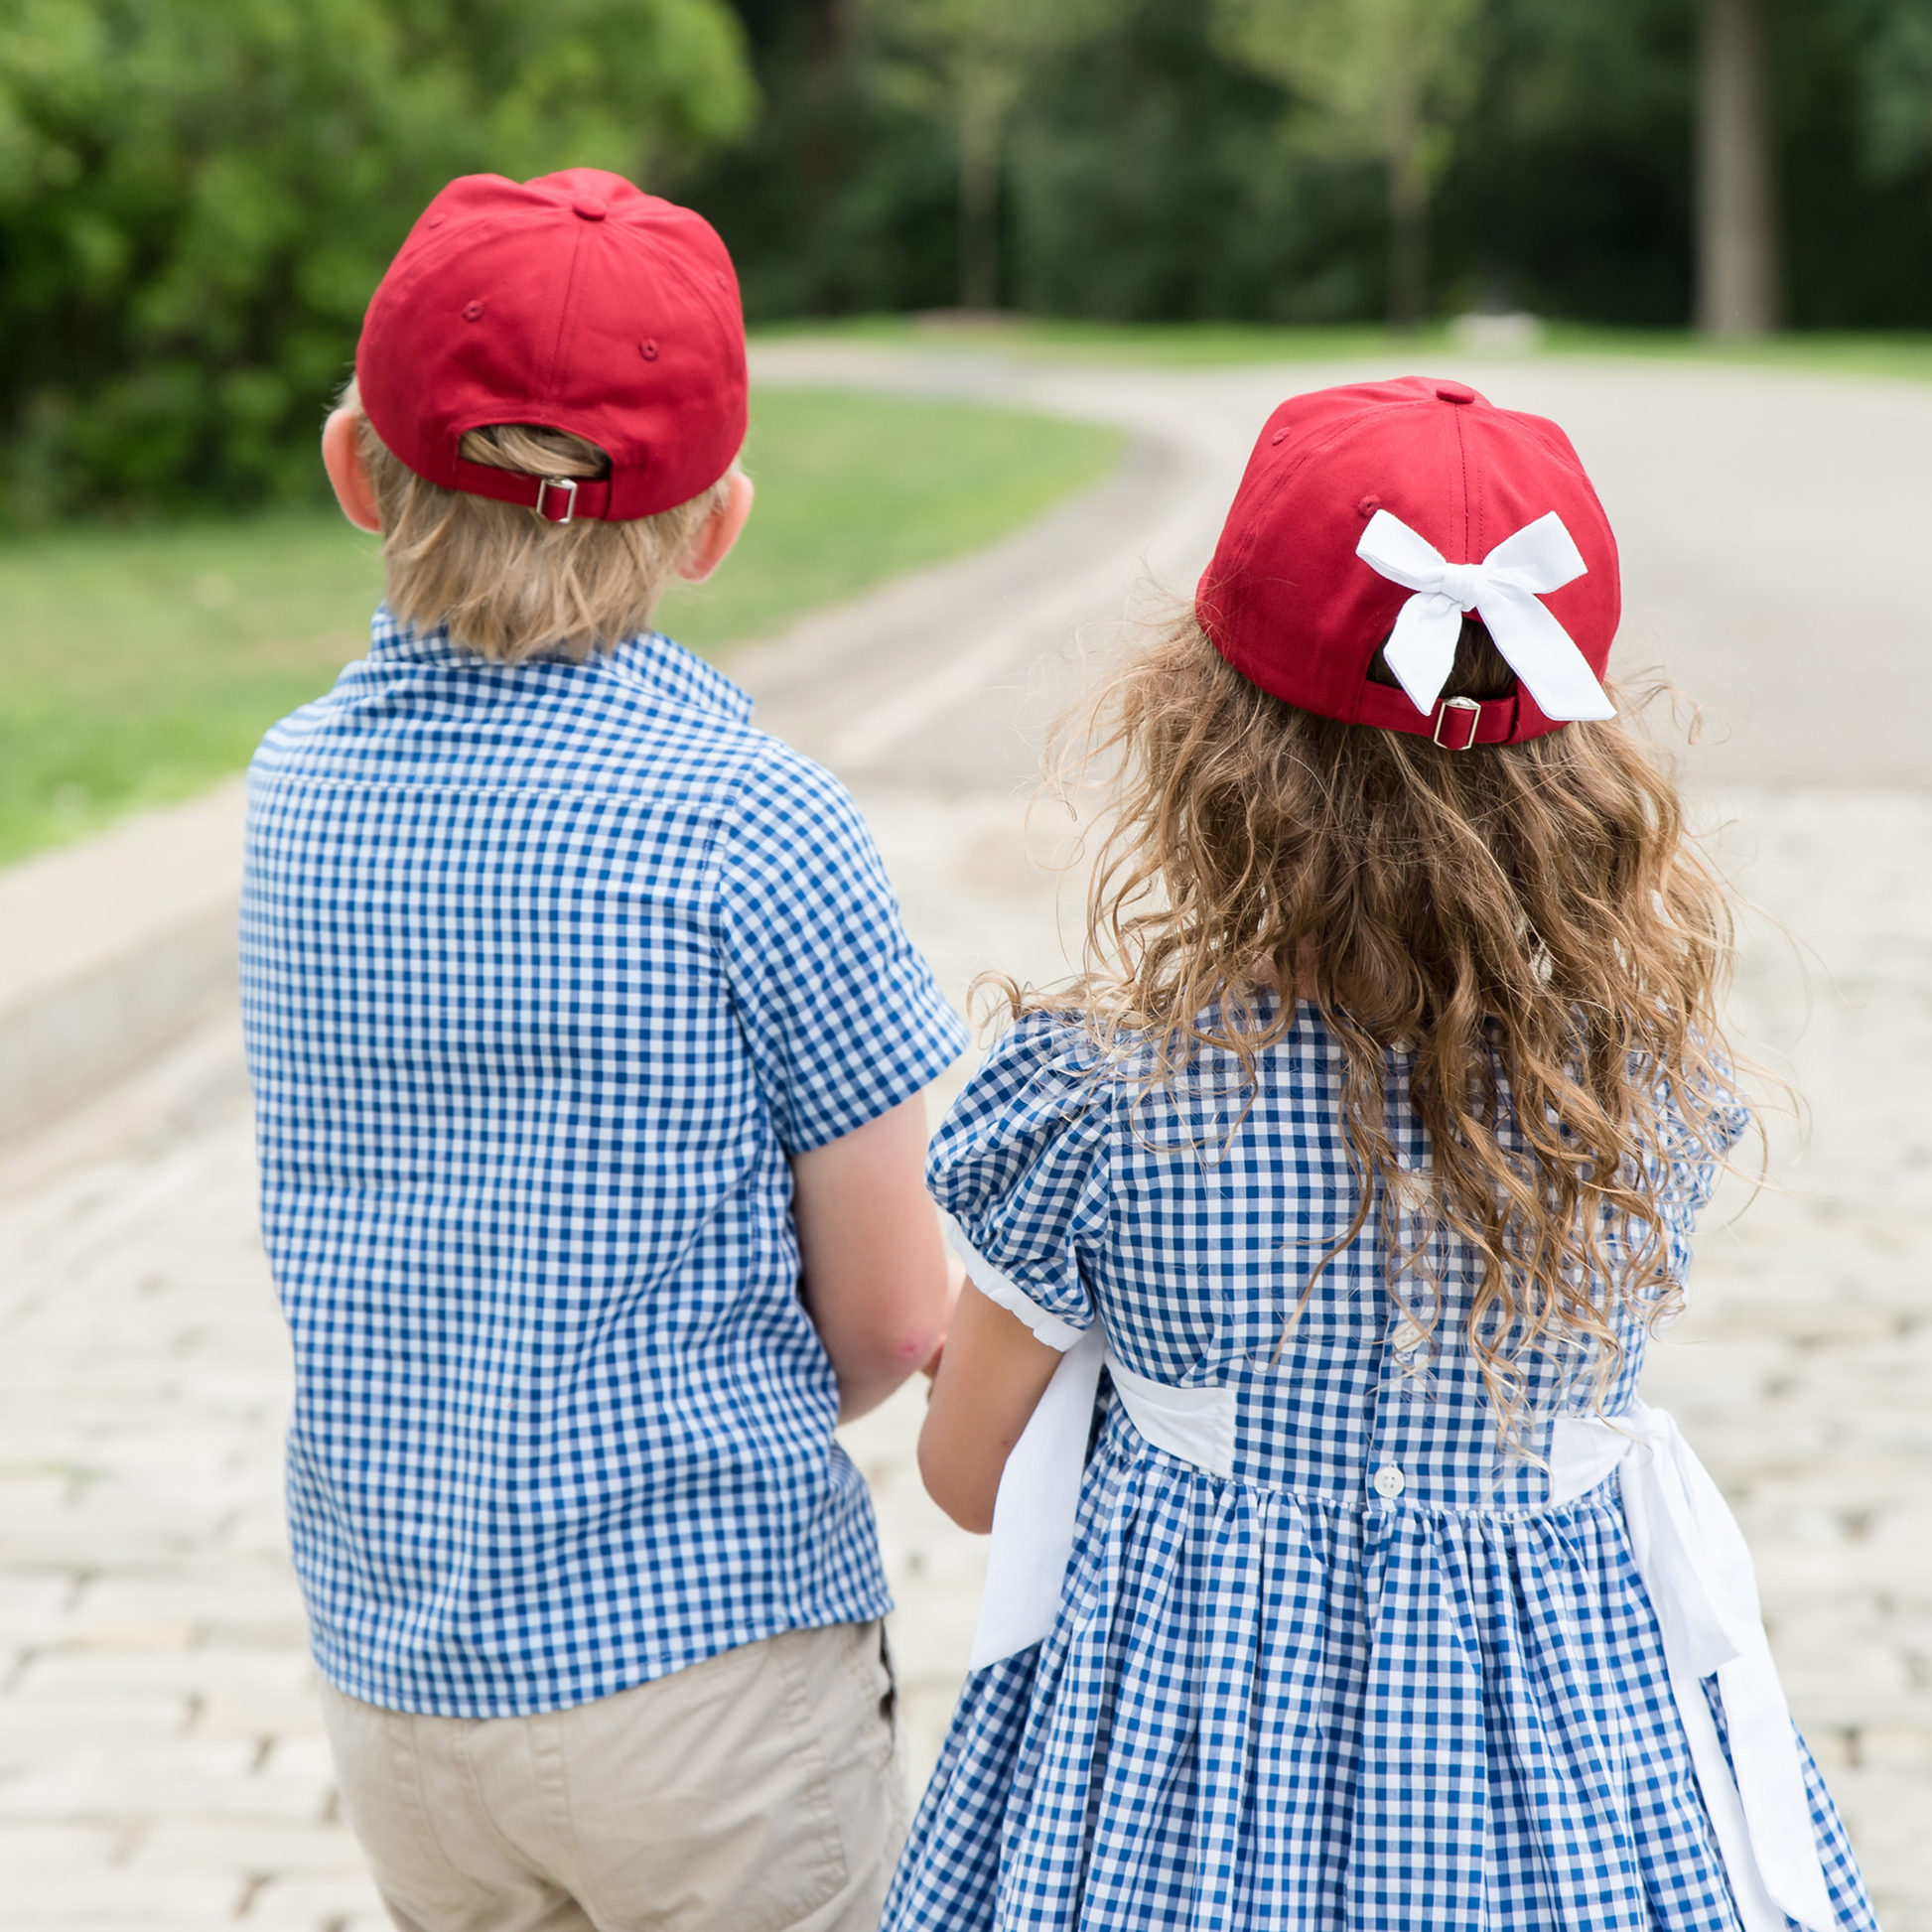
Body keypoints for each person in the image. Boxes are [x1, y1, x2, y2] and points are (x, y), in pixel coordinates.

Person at [887, 377, 1878, 1932]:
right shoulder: (1635, 1105)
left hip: (1186, 1805)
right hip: (1565, 1788)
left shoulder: (1104, 1102)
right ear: (1577, 780)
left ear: (1206, 740)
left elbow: (966, 1477)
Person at [240, 168, 966, 1932]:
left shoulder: (291, 792)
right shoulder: (755, 825)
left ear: (356, 473)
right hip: (702, 1668)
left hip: (400, 1679)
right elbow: (886, 1311)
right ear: (712, 527)